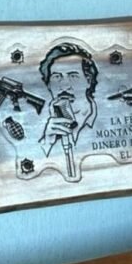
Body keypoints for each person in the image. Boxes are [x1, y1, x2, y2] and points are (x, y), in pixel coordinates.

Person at [38, 43, 98, 179]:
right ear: (48, 84)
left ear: (88, 80)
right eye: (56, 77)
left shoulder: (104, 119)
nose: (64, 86)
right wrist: (47, 142)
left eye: (73, 76)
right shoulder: (42, 129)